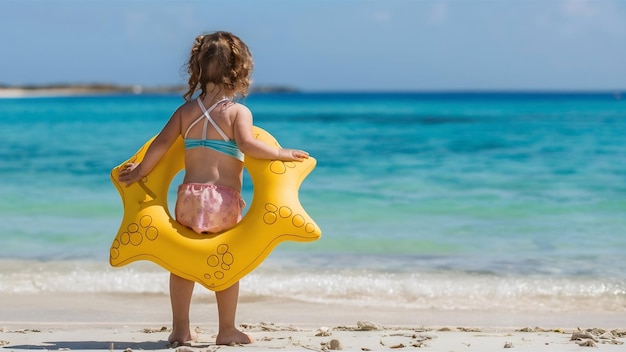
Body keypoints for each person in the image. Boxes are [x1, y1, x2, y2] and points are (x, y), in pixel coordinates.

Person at [118, 31, 309, 346]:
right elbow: (248, 144)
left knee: (182, 263)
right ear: (239, 71)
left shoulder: (185, 112)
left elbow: (162, 144)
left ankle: (180, 328)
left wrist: (140, 171)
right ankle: (227, 329)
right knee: (227, 259)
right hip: (222, 200)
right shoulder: (237, 112)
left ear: (197, 69)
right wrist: (280, 153)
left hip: (188, 197)